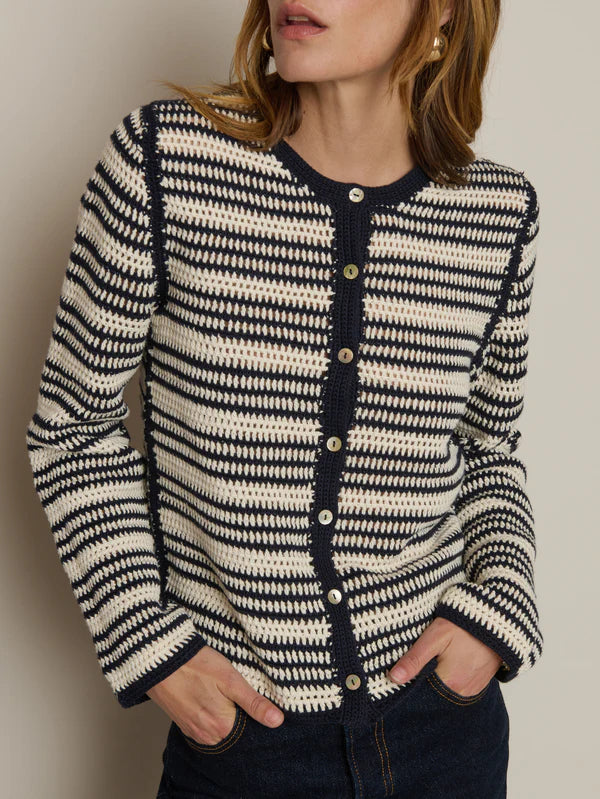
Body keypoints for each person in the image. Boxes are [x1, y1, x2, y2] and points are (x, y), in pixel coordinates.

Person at [25, 1, 544, 797]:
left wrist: (497, 607)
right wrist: (152, 647)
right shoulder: (167, 163)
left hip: (446, 732)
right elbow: (73, 430)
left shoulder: (497, 214)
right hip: (247, 743)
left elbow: (487, 447)